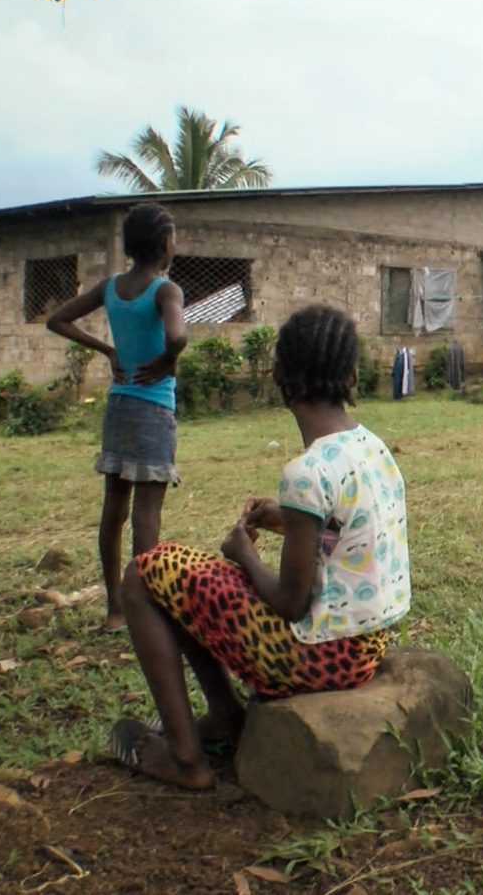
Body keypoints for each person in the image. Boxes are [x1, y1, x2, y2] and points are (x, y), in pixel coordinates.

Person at [108, 304, 409, 790]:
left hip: (314, 658)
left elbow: (291, 602)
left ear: (279, 376)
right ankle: (224, 715)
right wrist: (288, 520)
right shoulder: (372, 449)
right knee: (183, 581)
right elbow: (347, 536)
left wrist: (242, 553)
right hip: (364, 648)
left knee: (146, 575)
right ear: (352, 375)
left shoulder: (307, 471)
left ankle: (185, 758)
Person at [47, 203, 187, 632]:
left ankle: (115, 611)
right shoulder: (166, 291)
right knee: (148, 512)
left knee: (115, 510)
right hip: (153, 407)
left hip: (119, 406)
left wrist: (108, 350)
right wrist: (167, 359)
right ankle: (148, 611)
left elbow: (58, 319)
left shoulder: (111, 287)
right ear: (165, 243)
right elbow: (179, 334)